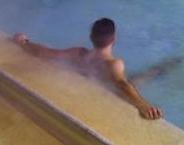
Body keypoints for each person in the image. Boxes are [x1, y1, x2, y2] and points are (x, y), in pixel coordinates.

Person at [13, 18, 162, 120]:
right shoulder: (113, 64)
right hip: (110, 91)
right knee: (143, 77)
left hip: (89, 87)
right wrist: (143, 105)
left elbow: (45, 52)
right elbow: (121, 84)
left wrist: (24, 42)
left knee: (135, 78)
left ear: (91, 37)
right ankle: (163, 69)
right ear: (114, 39)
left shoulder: (77, 54)